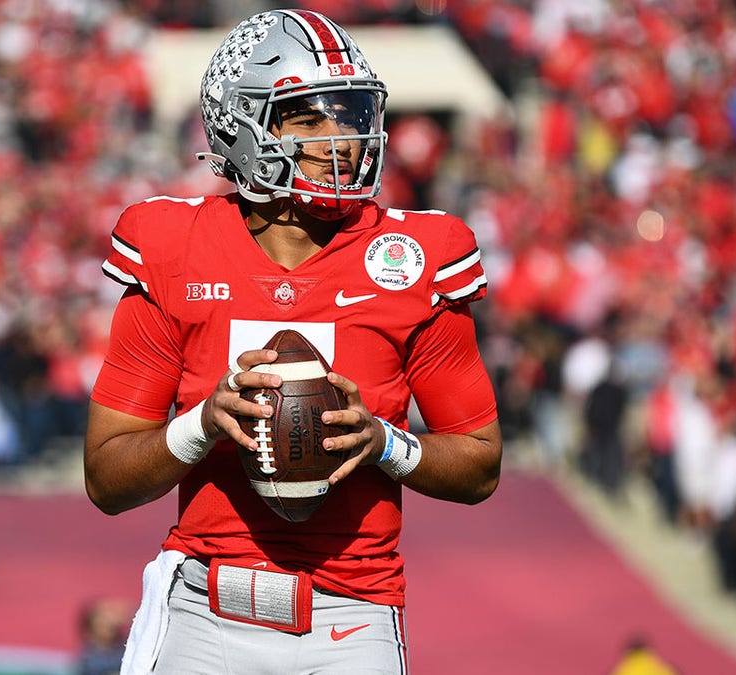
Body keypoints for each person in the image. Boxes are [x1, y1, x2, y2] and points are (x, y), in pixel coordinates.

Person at [84, 9, 501, 674]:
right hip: (202, 605)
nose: (343, 135)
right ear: (242, 125)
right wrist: (204, 425)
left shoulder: (415, 253)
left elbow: (481, 464)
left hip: (351, 613)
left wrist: (384, 442)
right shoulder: (171, 245)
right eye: (310, 117)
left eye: (349, 111)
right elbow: (106, 478)